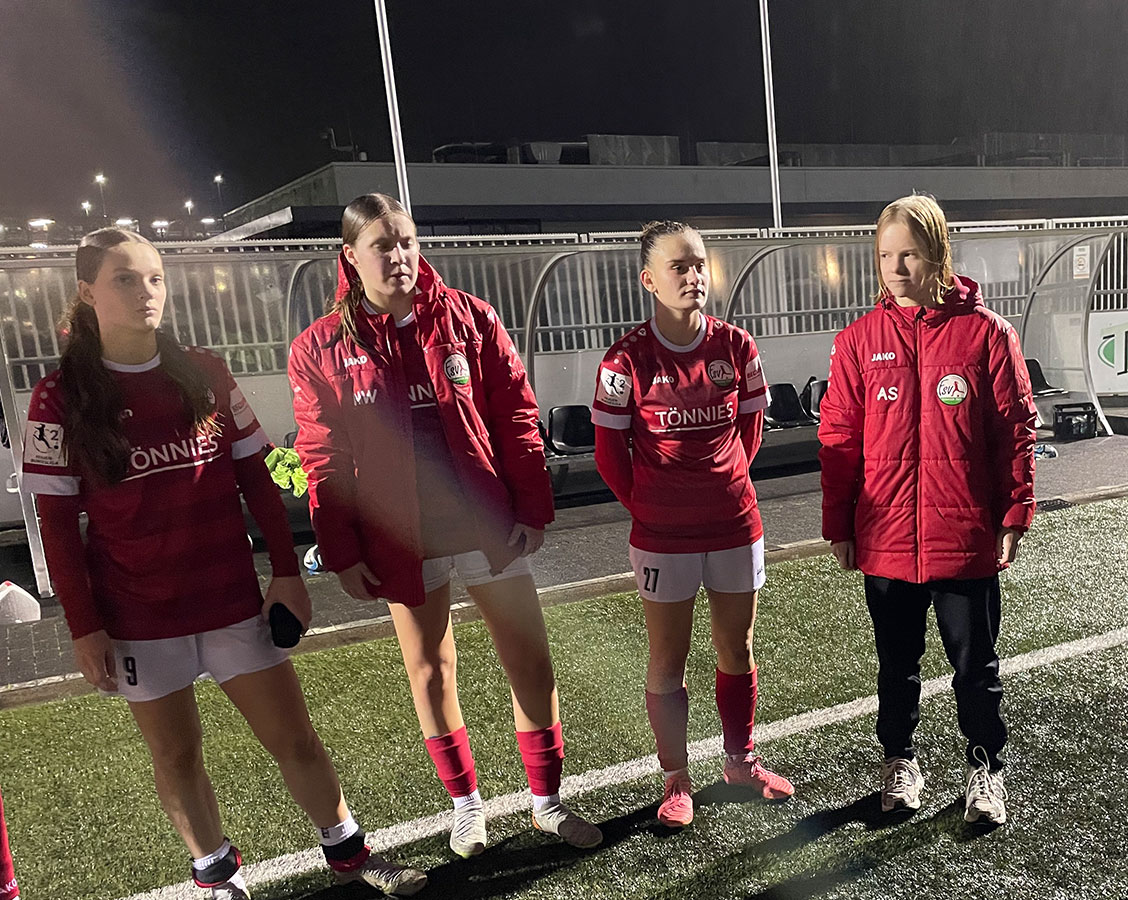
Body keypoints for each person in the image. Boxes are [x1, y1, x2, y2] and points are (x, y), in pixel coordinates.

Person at [26, 227, 426, 899]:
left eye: (154, 277)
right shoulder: (58, 396)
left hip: (233, 600)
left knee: (295, 738)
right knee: (177, 756)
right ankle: (216, 876)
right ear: (88, 293)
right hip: (138, 616)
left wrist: (287, 573)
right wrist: (84, 627)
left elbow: (257, 476)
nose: (147, 291)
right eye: (126, 279)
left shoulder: (204, 370)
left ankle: (351, 853)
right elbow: (58, 526)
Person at [288, 194, 601, 855]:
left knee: (531, 662)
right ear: (350, 257)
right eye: (383, 245)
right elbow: (324, 458)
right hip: (403, 541)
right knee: (431, 670)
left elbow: (516, 413)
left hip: (487, 527)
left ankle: (546, 802)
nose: (399, 255)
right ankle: (466, 807)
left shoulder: (470, 317)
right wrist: (342, 550)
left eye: (406, 241)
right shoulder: (319, 348)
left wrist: (533, 507)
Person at [817, 193, 1037, 825]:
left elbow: (1015, 431)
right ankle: (899, 761)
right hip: (886, 541)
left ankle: (985, 768)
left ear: (937, 252)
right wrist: (839, 524)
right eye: (885, 255)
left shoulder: (987, 334)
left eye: (908, 253)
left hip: (962, 534)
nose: (895, 267)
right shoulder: (859, 341)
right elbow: (838, 439)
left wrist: (1014, 513)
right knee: (897, 665)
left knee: (975, 665)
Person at [591, 220, 794, 828]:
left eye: (699, 264)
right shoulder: (625, 357)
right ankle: (676, 778)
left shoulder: (737, 346)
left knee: (736, 647)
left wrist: (722, 487)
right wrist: (656, 505)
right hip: (662, 536)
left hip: (735, 523)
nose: (693, 275)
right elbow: (609, 455)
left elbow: (750, 435)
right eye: (678, 267)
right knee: (667, 659)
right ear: (649, 280)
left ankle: (739, 760)